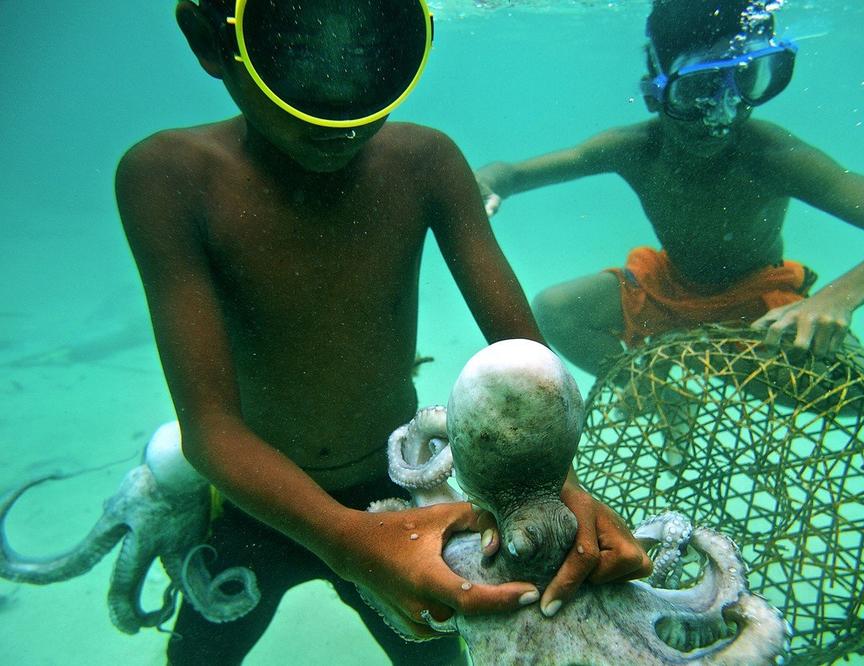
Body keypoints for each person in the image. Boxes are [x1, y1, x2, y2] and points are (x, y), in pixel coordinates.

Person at [117, 1, 649, 664]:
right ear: (209, 41)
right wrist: (344, 538)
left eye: (369, 57)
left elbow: (525, 366)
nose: (341, 105)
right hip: (258, 502)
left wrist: (555, 485)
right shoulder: (169, 178)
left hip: (397, 490)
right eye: (298, 54)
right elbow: (210, 427)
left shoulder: (425, 161)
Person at [476, 0, 864, 378]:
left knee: (852, 391)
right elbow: (510, 174)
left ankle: (695, 367)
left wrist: (835, 298)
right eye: (698, 89)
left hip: (758, 310)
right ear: (655, 91)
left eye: (745, 83)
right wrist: (487, 182)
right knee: (558, 310)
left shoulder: (771, 155)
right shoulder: (634, 148)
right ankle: (655, 391)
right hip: (666, 290)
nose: (722, 113)